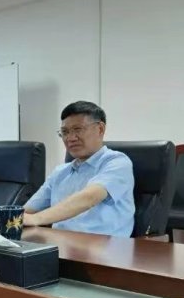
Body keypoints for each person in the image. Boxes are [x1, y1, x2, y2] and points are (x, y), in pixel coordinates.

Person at [24, 101, 135, 237]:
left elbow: (89, 197)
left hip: (103, 247)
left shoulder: (117, 162)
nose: (70, 138)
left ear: (100, 129)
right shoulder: (60, 172)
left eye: (78, 129)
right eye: (65, 132)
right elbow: (28, 210)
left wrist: (36, 219)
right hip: (59, 244)